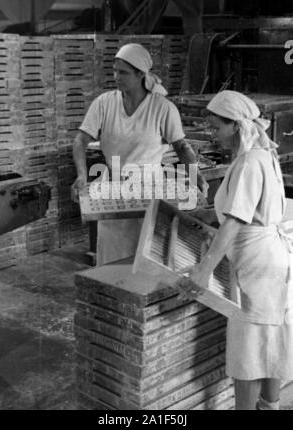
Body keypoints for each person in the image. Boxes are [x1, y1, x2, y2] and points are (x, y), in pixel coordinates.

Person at [177, 90, 293, 410]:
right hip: (271, 259)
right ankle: (270, 406)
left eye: (216, 128)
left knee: (248, 352)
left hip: (257, 267)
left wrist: (203, 269)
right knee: (270, 339)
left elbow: (234, 222)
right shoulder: (263, 153)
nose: (213, 135)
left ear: (237, 126)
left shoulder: (249, 162)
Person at [71, 43, 208, 266]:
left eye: (123, 72)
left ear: (140, 74)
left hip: (150, 188)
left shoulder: (162, 108)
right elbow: (80, 140)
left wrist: (196, 176)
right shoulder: (104, 103)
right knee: (113, 253)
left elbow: (181, 147)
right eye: (114, 71)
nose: (116, 77)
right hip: (114, 186)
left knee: (149, 251)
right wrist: (81, 175)